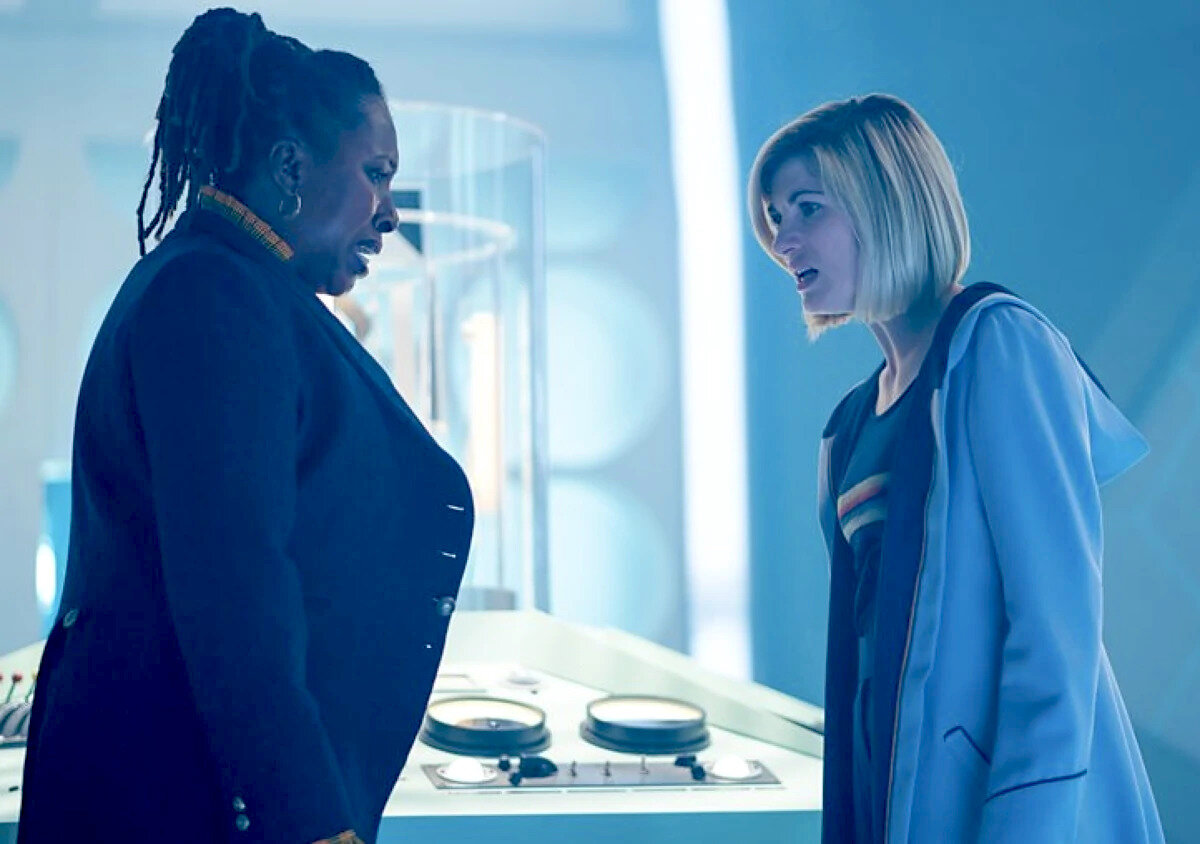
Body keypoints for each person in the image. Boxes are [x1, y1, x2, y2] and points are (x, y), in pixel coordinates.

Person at [18, 9, 473, 843]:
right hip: (180, 800)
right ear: (291, 167)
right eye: (376, 173)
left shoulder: (229, 287)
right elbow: (235, 594)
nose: (390, 214)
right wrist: (312, 823)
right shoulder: (216, 297)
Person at [747, 94, 1164, 843]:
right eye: (776, 217)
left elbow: (1055, 629)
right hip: (893, 794)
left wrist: (1025, 827)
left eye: (808, 208)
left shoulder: (998, 345)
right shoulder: (851, 423)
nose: (784, 240)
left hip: (1005, 807)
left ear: (886, 201)